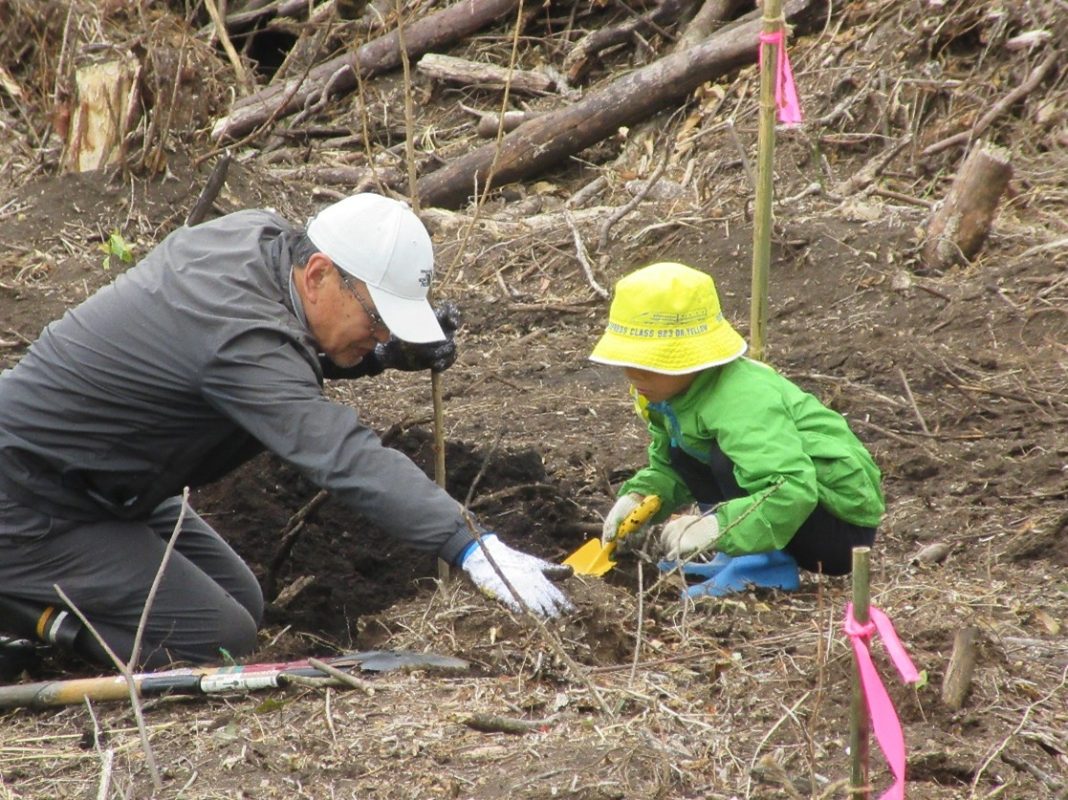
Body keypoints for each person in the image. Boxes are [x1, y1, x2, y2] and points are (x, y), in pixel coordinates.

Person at [0, 192, 571, 670]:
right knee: (216, 637)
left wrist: (382, 354)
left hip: (113, 486)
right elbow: (340, 453)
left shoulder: (261, 242)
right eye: (378, 320)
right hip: (29, 497)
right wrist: (470, 544)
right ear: (319, 273)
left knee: (243, 601)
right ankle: (20, 610)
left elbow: (271, 351)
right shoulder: (235, 335)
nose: (380, 335)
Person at [590, 262, 885, 598]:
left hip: (838, 525)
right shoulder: (666, 395)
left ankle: (763, 566)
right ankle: (738, 557)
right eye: (627, 360)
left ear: (693, 355)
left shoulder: (742, 399)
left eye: (649, 362)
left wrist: (717, 527)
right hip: (786, 509)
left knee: (725, 455)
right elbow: (674, 469)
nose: (634, 375)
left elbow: (791, 489)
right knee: (682, 452)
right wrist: (641, 497)